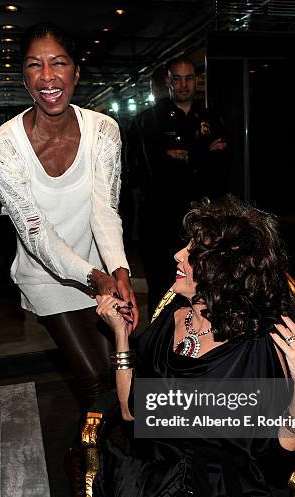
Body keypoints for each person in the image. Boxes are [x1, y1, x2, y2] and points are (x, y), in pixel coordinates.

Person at [62, 195, 295, 497]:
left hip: (219, 494)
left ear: (223, 271)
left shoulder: (260, 343)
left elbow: (283, 448)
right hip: (153, 475)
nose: (177, 254)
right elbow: (131, 411)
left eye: (193, 252)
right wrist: (122, 335)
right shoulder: (174, 318)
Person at [0, 22, 138, 497]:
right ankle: (96, 471)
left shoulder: (103, 130)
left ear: (76, 71)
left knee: (125, 365)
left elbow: (103, 208)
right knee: (94, 378)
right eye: (34, 64)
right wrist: (94, 278)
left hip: (100, 268)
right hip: (47, 276)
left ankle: (88, 449)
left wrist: (120, 271)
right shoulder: (1, 147)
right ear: (23, 76)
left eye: (58, 62)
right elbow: (35, 231)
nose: (47, 75)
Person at [125, 56, 229, 318]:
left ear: (197, 81)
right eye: (177, 79)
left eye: (189, 78)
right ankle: (160, 345)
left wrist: (185, 156)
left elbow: (225, 166)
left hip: (204, 219)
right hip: (161, 220)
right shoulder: (148, 121)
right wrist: (204, 153)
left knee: (204, 283)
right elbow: (144, 170)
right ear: (168, 82)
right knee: (162, 285)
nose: (183, 85)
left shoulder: (212, 118)